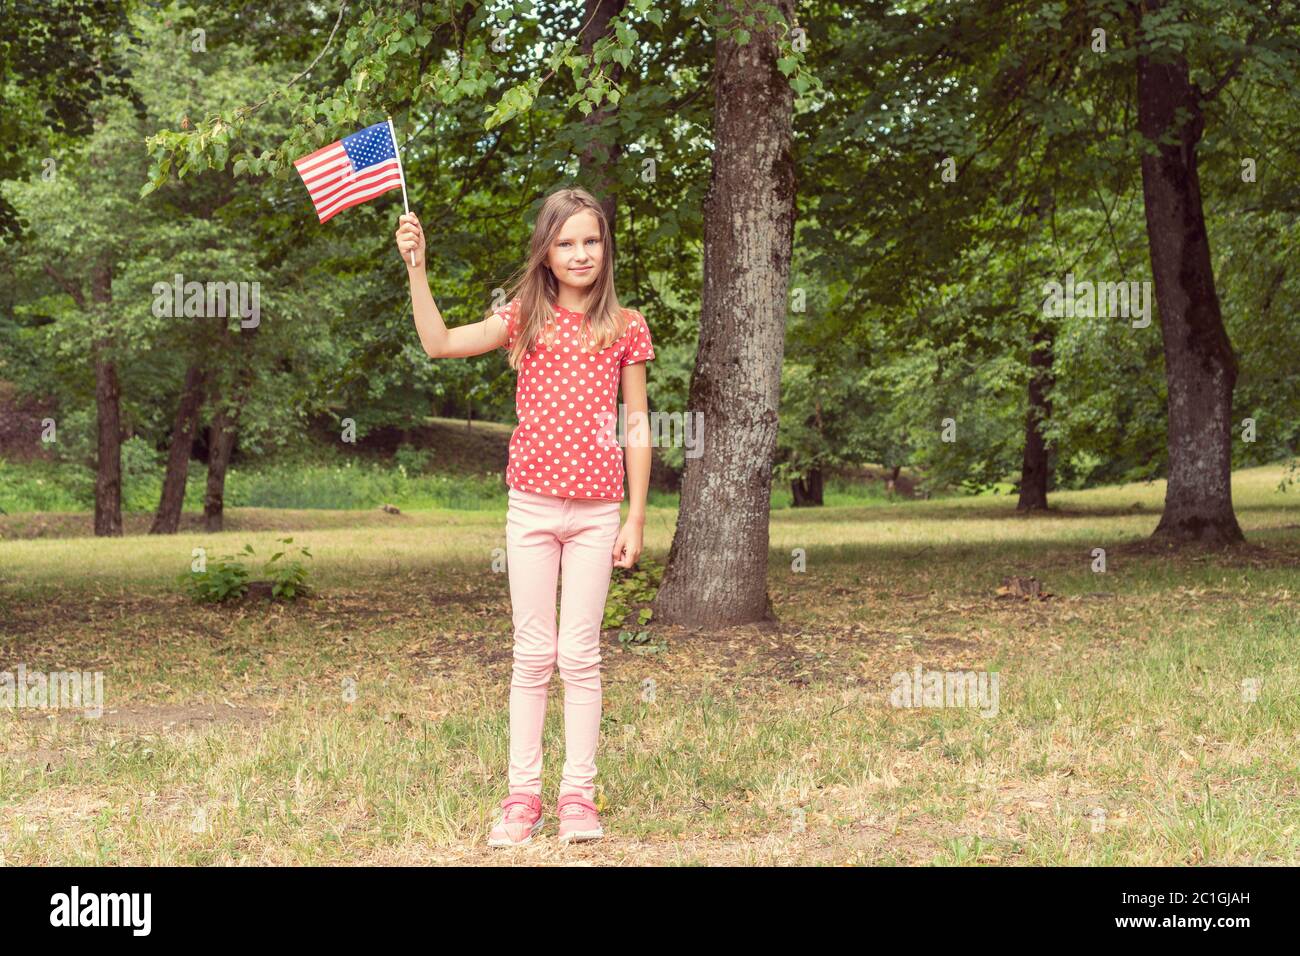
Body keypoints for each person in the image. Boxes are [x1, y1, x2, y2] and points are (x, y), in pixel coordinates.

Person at [394, 187, 655, 846]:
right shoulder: (524, 318)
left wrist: (636, 517)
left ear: (606, 247)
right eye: (565, 242)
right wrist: (417, 269)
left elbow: (639, 425)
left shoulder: (625, 325)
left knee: (582, 655)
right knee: (533, 655)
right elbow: (440, 342)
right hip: (532, 509)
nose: (580, 254)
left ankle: (578, 797)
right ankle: (522, 796)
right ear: (545, 252)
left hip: (598, 512)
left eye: (591, 241)